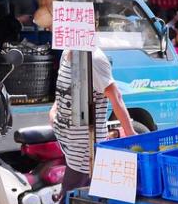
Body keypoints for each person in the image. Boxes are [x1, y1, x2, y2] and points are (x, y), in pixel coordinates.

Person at [50, 48, 136, 193]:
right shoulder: (67, 53)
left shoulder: (93, 60)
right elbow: (65, 89)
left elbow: (116, 97)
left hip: (84, 152)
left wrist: (132, 136)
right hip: (69, 144)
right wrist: (54, 109)